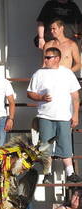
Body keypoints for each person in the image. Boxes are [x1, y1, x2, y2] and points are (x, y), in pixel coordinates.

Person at [27, 47, 81, 183]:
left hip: (63, 115)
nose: (45, 60)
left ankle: (70, 173)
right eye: (45, 57)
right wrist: (40, 97)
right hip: (45, 115)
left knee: (66, 145)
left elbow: (75, 96)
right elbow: (30, 93)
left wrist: (75, 115)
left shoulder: (67, 73)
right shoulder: (39, 73)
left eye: (48, 57)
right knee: (46, 146)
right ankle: (47, 173)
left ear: (57, 58)